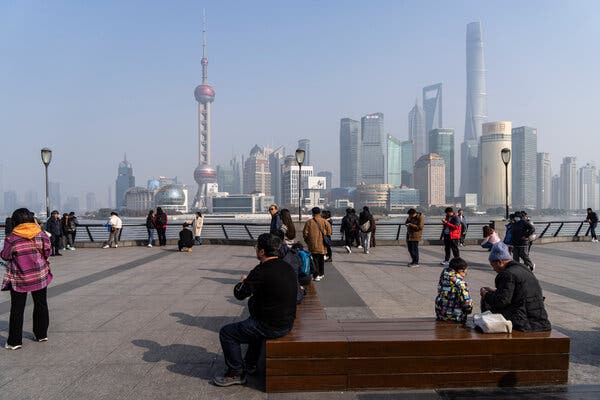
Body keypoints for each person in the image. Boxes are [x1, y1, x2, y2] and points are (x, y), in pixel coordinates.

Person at [213, 234, 297, 387]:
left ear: (262, 251)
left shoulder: (261, 270)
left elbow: (239, 294)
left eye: (257, 247)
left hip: (270, 326)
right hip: (287, 322)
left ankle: (236, 373)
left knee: (227, 333)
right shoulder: (287, 267)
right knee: (252, 325)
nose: (256, 250)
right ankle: (250, 364)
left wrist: (243, 281)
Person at [1, 208, 53, 349]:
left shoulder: (12, 238)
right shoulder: (41, 234)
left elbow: (5, 255)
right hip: (40, 275)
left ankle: (15, 341)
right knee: (41, 304)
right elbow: (48, 251)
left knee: (17, 309)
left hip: (19, 278)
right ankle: (41, 334)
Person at [480, 242, 551, 332]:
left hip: (524, 321)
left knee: (487, 302)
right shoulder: (523, 268)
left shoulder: (507, 274)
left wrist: (486, 295)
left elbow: (502, 301)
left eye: (493, 265)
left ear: (500, 262)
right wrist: (496, 291)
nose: (493, 269)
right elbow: (517, 293)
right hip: (539, 318)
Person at [435, 257, 473, 324]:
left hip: (441, 314)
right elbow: (466, 301)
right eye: (466, 272)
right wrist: (469, 308)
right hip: (456, 317)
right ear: (461, 271)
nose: (466, 274)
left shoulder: (443, 278)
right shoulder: (461, 284)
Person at [302, 207, 332, 281]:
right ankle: (321, 273)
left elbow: (305, 233)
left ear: (312, 213)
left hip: (313, 244)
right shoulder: (324, 221)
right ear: (320, 213)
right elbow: (329, 232)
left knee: (314, 260)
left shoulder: (309, 222)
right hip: (322, 244)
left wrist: (308, 242)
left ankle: (316, 275)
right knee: (321, 259)